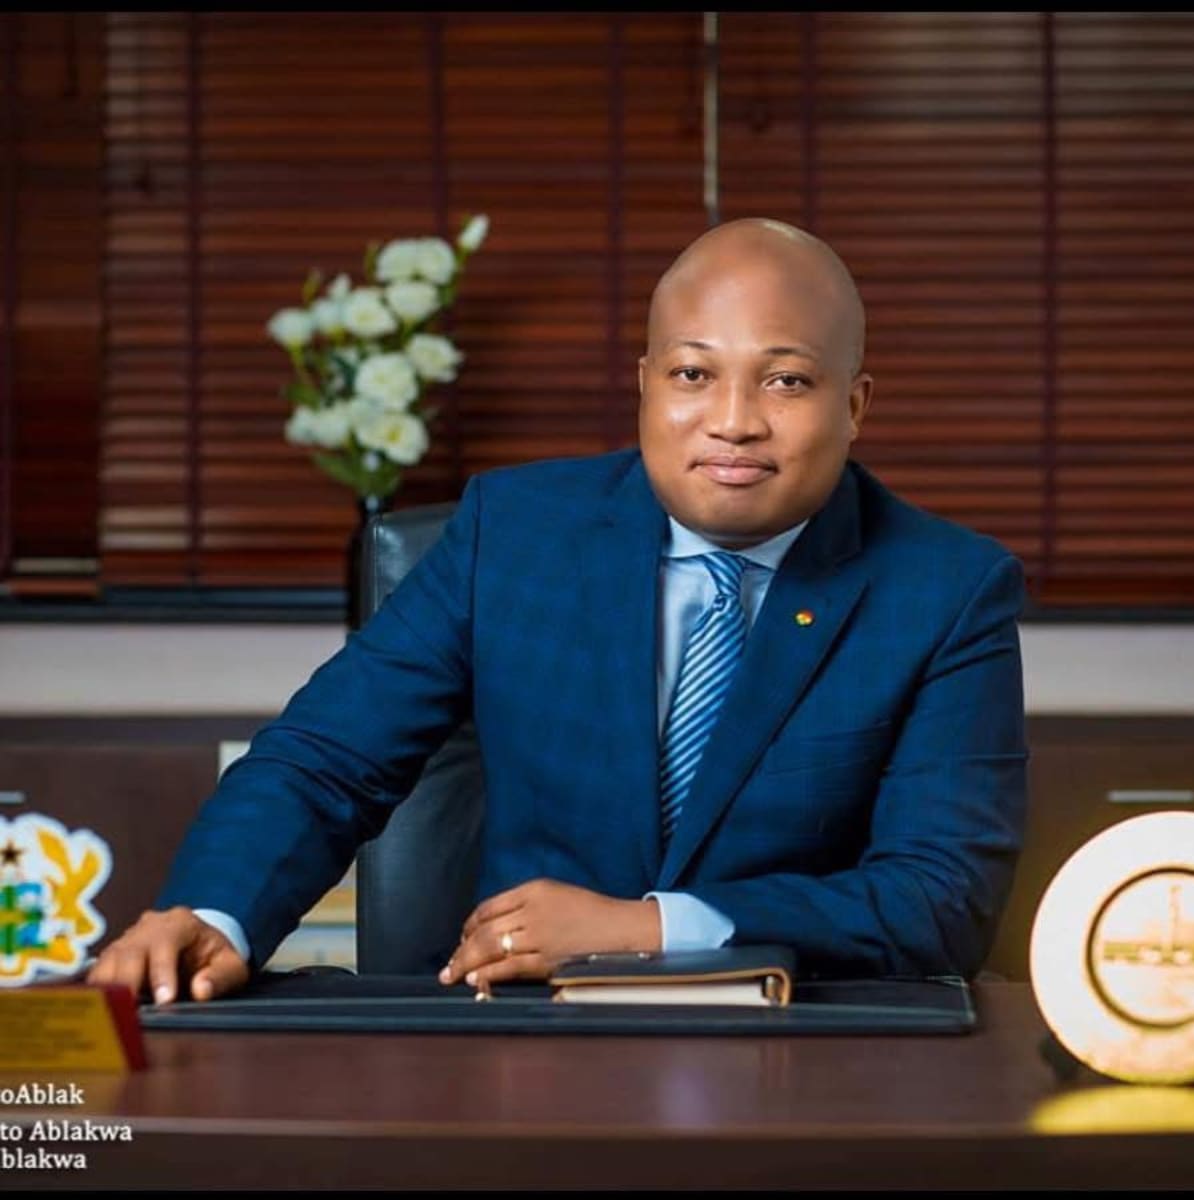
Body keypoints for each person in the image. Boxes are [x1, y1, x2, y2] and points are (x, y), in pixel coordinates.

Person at [89, 218, 1027, 1004]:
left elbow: (941, 899)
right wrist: (212, 914)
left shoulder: (945, 589)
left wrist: (652, 928)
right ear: (647, 383)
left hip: (803, 1051)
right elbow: (327, 759)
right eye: (694, 375)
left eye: (785, 380)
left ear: (855, 404)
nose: (735, 419)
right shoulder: (515, 532)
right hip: (519, 1032)